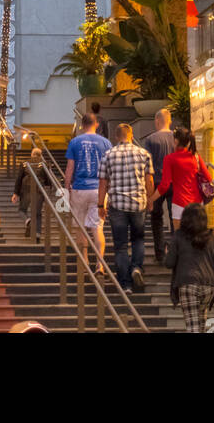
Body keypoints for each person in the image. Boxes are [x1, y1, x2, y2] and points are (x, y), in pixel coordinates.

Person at [97, 124, 153, 293]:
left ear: (116, 137)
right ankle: (136, 267)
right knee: (138, 239)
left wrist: (101, 204)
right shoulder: (143, 154)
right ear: (131, 135)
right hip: (138, 204)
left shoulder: (108, 155)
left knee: (120, 245)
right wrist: (150, 200)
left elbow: (103, 183)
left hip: (117, 205)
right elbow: (149, 180)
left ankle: (126, 284)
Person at [165, 202, 214, 333]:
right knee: (201, 324)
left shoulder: (179, 236)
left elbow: (169, 263)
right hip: (209, 285)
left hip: (187, 283)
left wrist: (168, 253)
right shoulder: (211, 237)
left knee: (193, 327)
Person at [64, 112, 112, 272]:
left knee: (80, 226)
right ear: (96, 124)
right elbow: (109, 169)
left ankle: (84, 260)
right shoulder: (105, 143)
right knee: (97, 227)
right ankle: (100, 263)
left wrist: (66, 188)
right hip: (99, 189)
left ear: (82, 125)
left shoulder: (74, 142)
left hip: (79, 188)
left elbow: (70, 168)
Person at [152, 126, 214, 230]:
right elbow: (209, 178)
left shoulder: (169, 159)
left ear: (176, 141)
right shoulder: (196, 157)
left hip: (179, 204)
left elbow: (164, 185)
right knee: (198, 237)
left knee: (180, 238)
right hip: (197, 203)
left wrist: (151, 199)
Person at [142, 108, 176, 262]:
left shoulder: (150, 140)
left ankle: (160, 253)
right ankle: (176, 252)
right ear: (170, 120)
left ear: (157, 120)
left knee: (156, 218)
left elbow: (146, 166)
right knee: (174, 217)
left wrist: (147, 190)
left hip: (156, 183)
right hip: (175, 182)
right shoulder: (177, 138)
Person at [12, 147, 53, 236]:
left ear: (32, 154)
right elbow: (48, 180)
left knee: (22, 210)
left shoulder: (25, 163)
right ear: (40, 155)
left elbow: (19, 179)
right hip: (39, 189)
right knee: (37, 213)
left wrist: (16, 193)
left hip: (25, 189)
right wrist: (49, 188)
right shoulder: (44, 164)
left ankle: (28, 221)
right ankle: (37, 233)